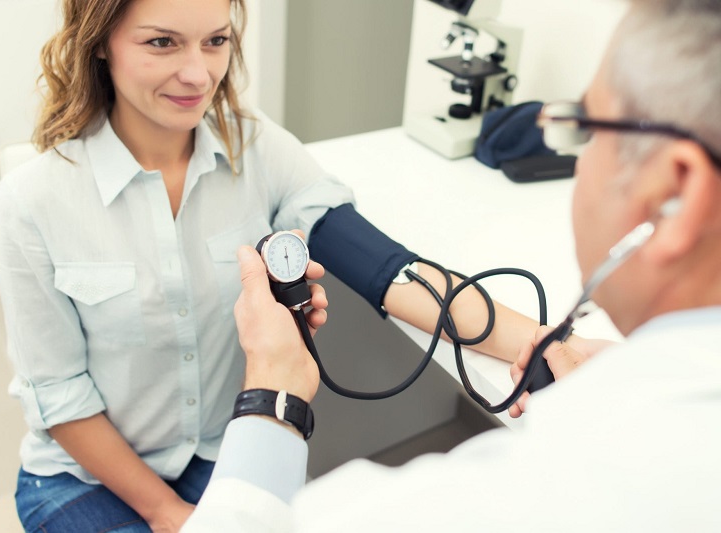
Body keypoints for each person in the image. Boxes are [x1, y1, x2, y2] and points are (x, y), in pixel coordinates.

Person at [0, 0, 542, 530]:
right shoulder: (31, 203)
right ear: (100, 42)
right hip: (84, 478)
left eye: (215, 41)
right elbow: (59, 397)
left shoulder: (259, 150)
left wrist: (545, 343)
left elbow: (391, 270)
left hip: (221, 451)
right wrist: (169, 515)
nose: (198, 75)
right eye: (162, 43)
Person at [180, 0, 721, 531]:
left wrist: (275, 384)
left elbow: (390, 267)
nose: (195, 72)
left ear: (676, 193)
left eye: (584, 128)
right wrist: (603, 356)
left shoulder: (535, 490)